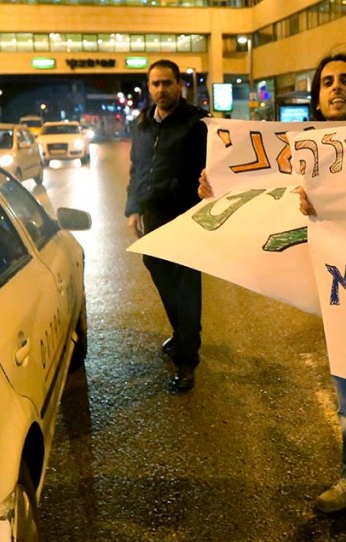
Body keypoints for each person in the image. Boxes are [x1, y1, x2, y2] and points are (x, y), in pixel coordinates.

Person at [200, 53, 346, 534]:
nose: (336, 88)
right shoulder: (304, 150)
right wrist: (219, 191)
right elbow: (263, 199)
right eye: (327, 82)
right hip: (337, 297)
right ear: (317, 98)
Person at [125, 59, 208, 392]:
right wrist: (133, 209)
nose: (161, 89)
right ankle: (181, 334)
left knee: (187, 288)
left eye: (167, 83)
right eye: (155, 84)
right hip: (154, 216)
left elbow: (216, 166)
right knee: (162, 278)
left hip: (188, 215)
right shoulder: (142, 123)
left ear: (180, 85)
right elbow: (137, 168)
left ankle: (187, 361)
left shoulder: (197, 122)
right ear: (149, 87)